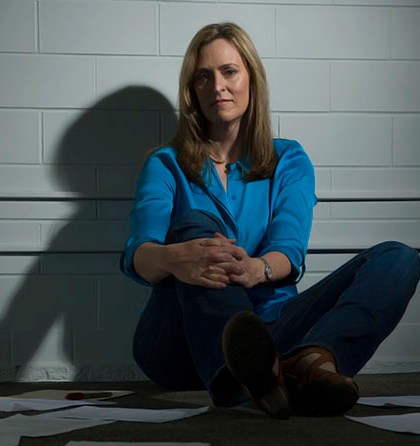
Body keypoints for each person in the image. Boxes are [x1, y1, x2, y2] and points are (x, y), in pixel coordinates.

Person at [120, 22, 420, 419]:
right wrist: (176, 259)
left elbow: (288, 250)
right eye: (203, 77)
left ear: (251, 80)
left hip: (272, 331)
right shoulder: (166, 163)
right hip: (177, 344)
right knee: (194, 224)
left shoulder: (289, 159)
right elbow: (139, 253)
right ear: (192, 90)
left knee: (399, 258)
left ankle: (311, 362)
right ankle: (244, 376)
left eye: (229, 72)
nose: (217, 87)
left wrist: (255, 270)